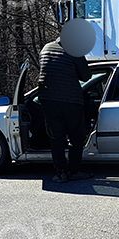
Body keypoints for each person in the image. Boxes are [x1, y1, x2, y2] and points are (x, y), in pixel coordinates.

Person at [38, 27, 92, 181]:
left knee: (56, 138)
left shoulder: (46, 48)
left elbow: (45, 71)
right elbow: (86, 76)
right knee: (76, 137)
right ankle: (74, 171)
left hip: (48, 100)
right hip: (71, 101)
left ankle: (60, 173)